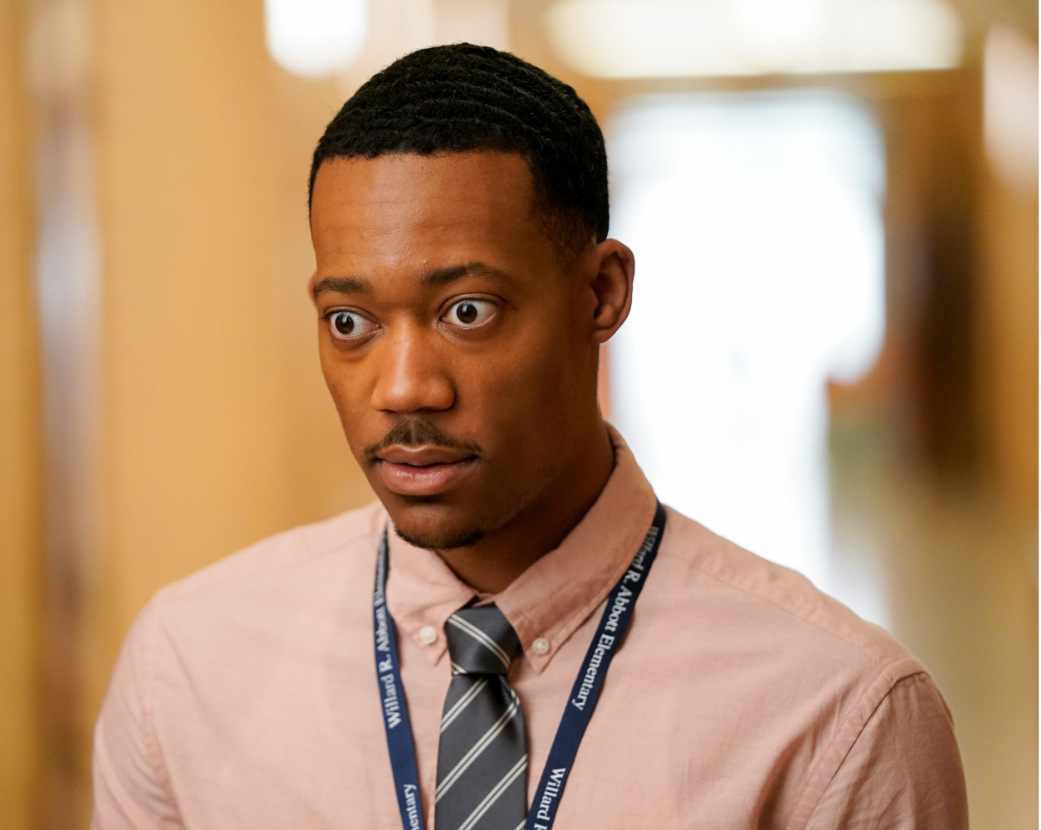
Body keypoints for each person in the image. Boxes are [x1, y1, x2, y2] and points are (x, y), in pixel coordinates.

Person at [91, 44, 967, 830]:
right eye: (351, 321)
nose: (403, 390)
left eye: (466, 311)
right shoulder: (189, 666)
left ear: (600, 295)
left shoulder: (836, 717)